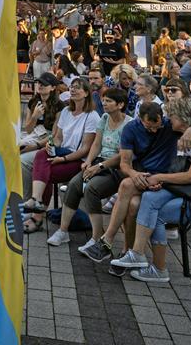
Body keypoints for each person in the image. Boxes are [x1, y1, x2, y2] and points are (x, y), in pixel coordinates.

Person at [109, 98, 191, 284]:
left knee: (156, 213)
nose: (169, 120)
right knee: (149, 197)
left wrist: (160, 178)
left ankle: (158, 269)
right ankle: (137, 254)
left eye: (171, 116)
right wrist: (161, 183)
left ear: (182, 118)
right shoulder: (189, 136)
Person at [82, 102, 191, 265]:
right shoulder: (131, 128)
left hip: (164, 177)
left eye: (157, 127)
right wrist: (134, 174)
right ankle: (127, 251)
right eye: (149, 127)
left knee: (127, 190)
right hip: (141, 174)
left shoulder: (168, 125)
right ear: (140, 119)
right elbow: (124, 163)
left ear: (161, 118)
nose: (154, 130)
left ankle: (109, 242)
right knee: (133, 202)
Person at [46, 89, 131, 247]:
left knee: (91, 189)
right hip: (98, 161)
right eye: (104, 100)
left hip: (116, 167)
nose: (104, 103)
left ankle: (97, 237)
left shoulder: (129, 124)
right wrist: (89, 162)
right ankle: (63, 231)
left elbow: (122, 155)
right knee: (74, 185)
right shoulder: (105, 118)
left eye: (109, 101)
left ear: (120, 105)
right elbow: (97, 144)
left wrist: (99, 166)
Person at [21, 80, 100, 232]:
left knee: (45, 173)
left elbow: (85, 150)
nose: (73, 90)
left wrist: (62, 159)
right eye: (72, 87)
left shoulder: (92, 116)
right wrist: (51, 146)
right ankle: (36, 200)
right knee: (41, 155)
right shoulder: (66, 112)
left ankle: (37, 218)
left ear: (86, 93)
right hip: (62, 151)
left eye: (78, 88)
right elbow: (58, 138)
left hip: (77, 159)